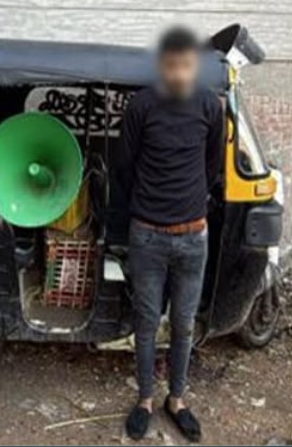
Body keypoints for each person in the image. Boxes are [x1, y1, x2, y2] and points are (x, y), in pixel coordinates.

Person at [116, 26, 223, 442]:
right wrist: (150, 205)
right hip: (147, 235)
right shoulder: (141, 105)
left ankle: (176, 399)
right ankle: (145, 399)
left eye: (186, 65)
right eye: (172, 65)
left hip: (193, 236)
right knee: (146, 321)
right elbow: (125, 165)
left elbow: (211, 165)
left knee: (183, 322)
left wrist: (189, 203)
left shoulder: (210, 106)